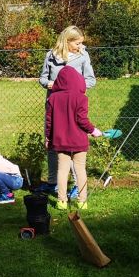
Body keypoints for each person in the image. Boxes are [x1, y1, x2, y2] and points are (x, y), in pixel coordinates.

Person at [38, 26, 96, 196]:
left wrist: (73, 89)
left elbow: (91, 80)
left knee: (74, 146)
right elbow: (43, 78)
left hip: (73, 108)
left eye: (81, 43)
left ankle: (77, 186)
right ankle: (52, 183)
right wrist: (49, 84)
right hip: (55, 107)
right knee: (52, 144)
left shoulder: (83, 56)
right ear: (67, 41)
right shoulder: (51, 55)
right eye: (77, 43)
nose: (80, 46)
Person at [45, 65, 103, 211]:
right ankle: (82, 201)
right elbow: (82, 120)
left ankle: (61, 201)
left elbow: (49, 122)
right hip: (79, 141)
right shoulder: (81, 98)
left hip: (60, 141)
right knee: (80, 170)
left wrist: (48, 138)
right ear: (78, 81)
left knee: (62, 170)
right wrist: (93, 130)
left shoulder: (53, 98)